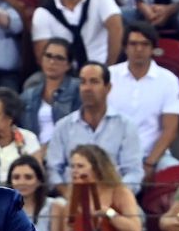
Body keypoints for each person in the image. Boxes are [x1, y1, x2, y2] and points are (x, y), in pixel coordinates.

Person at [46, 62, 143, 195]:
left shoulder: (125, 126)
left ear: (108, 88)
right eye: (83, 82)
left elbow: (133, 172)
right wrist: (68, 195)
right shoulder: (63, 126)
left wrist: (114, 197)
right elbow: (53, 170)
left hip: (114, 197)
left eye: (94, 82)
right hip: (71, 197)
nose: (87, 88)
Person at [107, 22, 179, 183]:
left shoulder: (169, 80)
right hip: (114, 157)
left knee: (176, 173)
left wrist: (149, 163)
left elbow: (170, 130)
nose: (139, 49)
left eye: (145, 44)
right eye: (133, 44)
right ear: (125, 47)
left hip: (154, 156)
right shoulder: (109, 76)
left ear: (153, 48)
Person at [20, 39, 81, 149]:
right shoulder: (29, 95)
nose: (52, 62)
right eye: (48, 56)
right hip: (33, 151)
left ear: (68, 65)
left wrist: (46, 149)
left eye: (59, 58)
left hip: (67, 150)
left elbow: (78, 129)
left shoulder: (78, 90)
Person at [31, 0, 123, 68]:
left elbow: (116, 28)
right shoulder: (43, 12)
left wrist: (109, 67)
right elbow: (41, 55)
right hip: (66, 73)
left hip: (102, 65)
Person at [120, 0, 179, 71]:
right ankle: (122, 69)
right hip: (145, 8)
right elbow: (132, 0)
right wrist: (143, 7)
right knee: (122, 13)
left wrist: (168, 10)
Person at [7, 155, 66, 231]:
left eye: (28, 177)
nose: (22, 182)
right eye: (16, 177)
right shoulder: (1, 210)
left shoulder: (54, 206)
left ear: (39, 181)